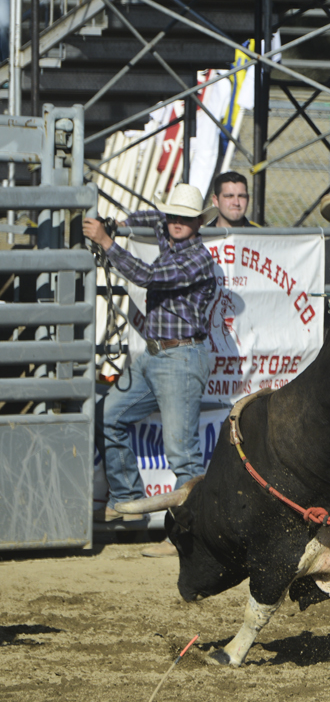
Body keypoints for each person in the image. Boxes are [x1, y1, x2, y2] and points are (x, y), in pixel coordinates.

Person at [82, 184, 218, 557]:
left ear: (196, 222)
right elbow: (154, 219)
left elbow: (148, 276)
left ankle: (188, 537)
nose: (175, 222)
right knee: (109, 416)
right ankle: (127, 501)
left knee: (182, 452)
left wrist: (109, 241)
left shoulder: (197, 259)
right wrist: (124, 222)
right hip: (157, 355)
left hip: (179, 357)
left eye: (183, 218)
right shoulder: (172, 235)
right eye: (172, 216)